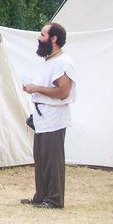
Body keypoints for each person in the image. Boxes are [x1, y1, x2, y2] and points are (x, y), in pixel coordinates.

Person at [21, 22, 75, 209]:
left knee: (53, 159)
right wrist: (32, 89)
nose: (39, 37)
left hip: (54, 117)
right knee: (41, 157)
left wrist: (37, 89)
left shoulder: (63, 62)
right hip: (42, 116)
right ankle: (41, 195)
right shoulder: (49, 60)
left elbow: (63, 92)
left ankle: (54, 199)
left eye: (43, 35)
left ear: (54, 38)